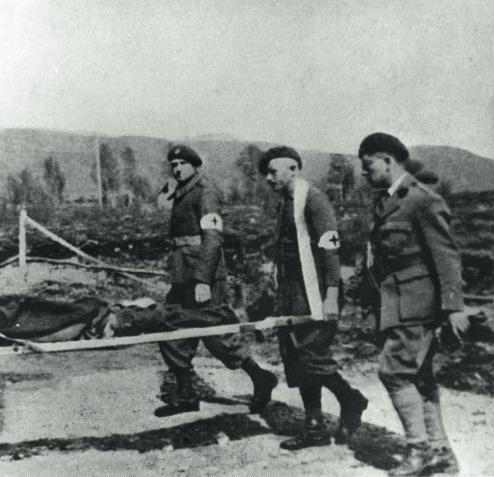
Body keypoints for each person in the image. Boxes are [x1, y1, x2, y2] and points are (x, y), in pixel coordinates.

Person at [358, 133, 469, 476]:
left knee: (393, 372)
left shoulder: (422, 200)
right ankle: (441, 454)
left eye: (368, 165)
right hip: (396, 302)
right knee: (419, 378)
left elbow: (446, 256)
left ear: (387, 160)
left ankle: (418, 450)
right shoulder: (386, 201)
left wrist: (453, 307)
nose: (364, 172)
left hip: (418, 302)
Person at [153, 144, 277, 417]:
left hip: (203, 274)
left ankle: (260, 377)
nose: (177, 169)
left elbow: (212, 238)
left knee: (217, 333)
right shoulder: (181, 192)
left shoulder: (205, 193)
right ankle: (187, 395)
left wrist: (202, 280)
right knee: (171, 327)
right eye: (173, 165)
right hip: (183, 272)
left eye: (182, 164)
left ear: (194, 165)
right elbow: (166, 213)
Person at [259, 146, 368, 450]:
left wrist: (331, 295)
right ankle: (314, 426)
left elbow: (330, 251)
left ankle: (350, 399)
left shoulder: (314, 200)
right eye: (267, 173)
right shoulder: (285, 203)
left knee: (310, 354)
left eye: (273, 171)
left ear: (293, 170)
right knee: (295, 358)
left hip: (316, 289)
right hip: (292, 289)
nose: (268, 178)